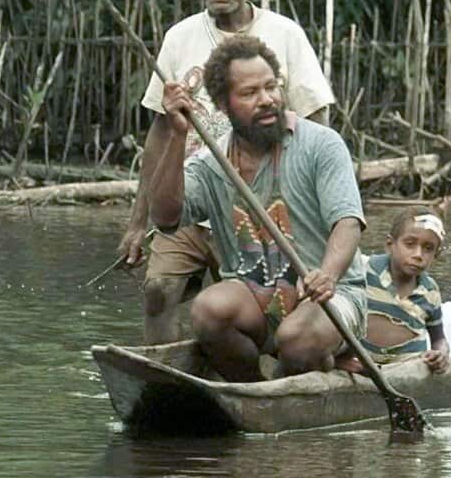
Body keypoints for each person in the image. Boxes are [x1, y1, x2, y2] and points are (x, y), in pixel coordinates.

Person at [117, 0, 335, 344]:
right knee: (158, 290)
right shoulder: (179, 38)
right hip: (192, 196)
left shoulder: (285, 34)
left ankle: (248, 368)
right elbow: (160, 134)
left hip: (262, 204)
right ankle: (165, 370)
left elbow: (316, 121)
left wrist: (314, 207)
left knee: (265, 306)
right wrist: (137, 222)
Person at [149, 35, 365, 381]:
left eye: (271, 87)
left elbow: (348, 221)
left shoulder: (321, 144)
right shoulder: (212, 163)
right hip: (256, 299)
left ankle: (313, 362)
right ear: (223, 104)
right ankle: (252, 388)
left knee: (297, 340)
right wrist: (177, 135)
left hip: (330, 297)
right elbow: (164, 217)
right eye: (249, 93)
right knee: (207, 310)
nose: (266, 100)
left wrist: (327, 274)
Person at [338, 207, 450, 375]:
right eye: (410, 244)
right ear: (390, 245)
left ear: (436, 254)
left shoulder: (430, 291)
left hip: (406, 370)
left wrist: (441, 353)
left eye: (428, 248)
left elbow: (439, 338)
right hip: (358, 366)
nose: (418, 255)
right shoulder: (363, 271)